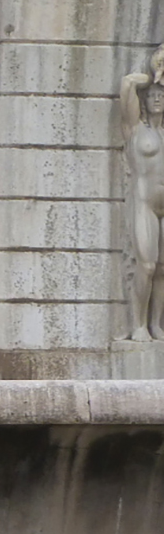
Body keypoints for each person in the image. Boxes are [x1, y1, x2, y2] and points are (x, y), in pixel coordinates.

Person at [120, 47, 164, 341]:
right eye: (152, 96)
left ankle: (156, 324)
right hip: (144, 203)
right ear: (144, 102)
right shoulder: (135, 130)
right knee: (146, 265)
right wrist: (154, 75)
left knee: (162, 269)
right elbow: (127, 83)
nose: (157, 99)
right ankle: (138, 325)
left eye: (161, 95)